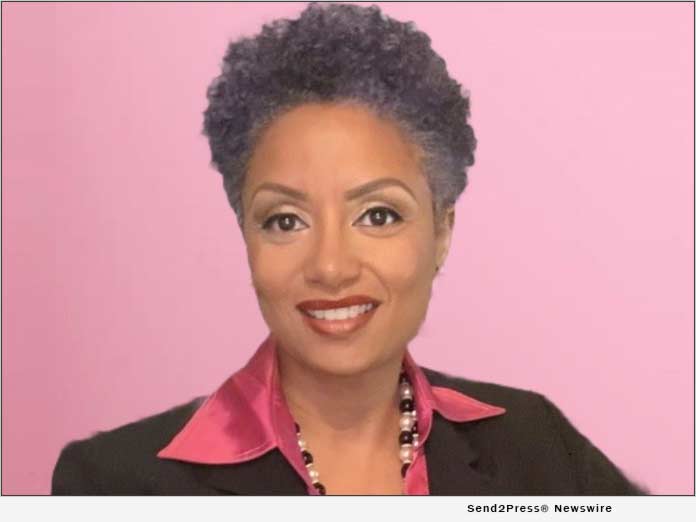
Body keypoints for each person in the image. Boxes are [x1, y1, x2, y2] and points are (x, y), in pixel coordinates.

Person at [52, 3, 644, 495]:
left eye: (378, 215)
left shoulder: (540, 452)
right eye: (285, 220)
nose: (330, 267)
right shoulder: (113, 485)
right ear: (245, 234)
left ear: (441, 232)